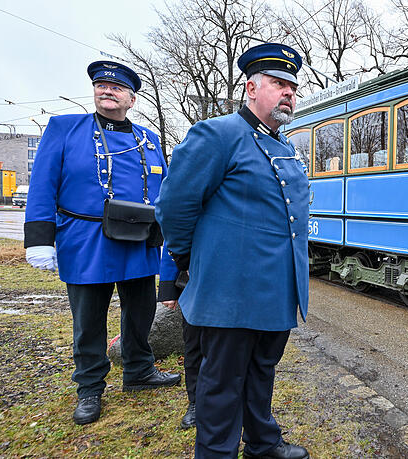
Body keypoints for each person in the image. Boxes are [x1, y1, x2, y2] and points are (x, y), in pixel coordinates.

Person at [156, 43, 310, 459]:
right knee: (222, 382)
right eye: (278, 83)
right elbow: (174, 207)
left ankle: (261, 443)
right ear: (251, 87)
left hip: (278, 288)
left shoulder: (287, 148)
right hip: (230, 287)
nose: (289, 93)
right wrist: (191, 261)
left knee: (262, 373)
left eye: (293, 86)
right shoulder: (218, 134)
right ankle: (217, 453)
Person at [24, 61, 180, 426]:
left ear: (132, 98)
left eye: (116, 87)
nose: (106, 90)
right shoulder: (65, 128)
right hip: (85, 238)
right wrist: (39, 238)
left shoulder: (149, 138)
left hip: (140, 239)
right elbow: (43, 183)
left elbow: (166, 190)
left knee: (140, 313)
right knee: (89, 321)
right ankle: (90, 386)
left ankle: (139, 372)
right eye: (100, 84)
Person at [157, 254, 199, 429]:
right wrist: (168, 285)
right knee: (195, 343)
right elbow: (173, 233)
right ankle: (197, 401)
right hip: (196, 278)